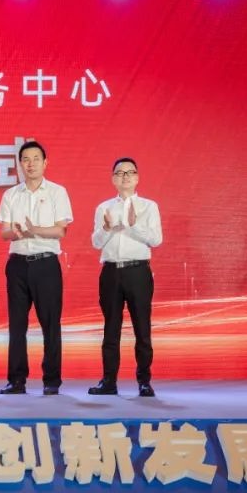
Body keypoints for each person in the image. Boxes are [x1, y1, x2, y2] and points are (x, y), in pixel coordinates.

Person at [0, 141, 73, 395]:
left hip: (46, 264)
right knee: (17, 325)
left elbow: (61, 230)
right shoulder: (11, 194)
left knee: (50, 324)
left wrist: (34, 230)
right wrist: (15, 232)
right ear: (20, 164)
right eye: (26, 159)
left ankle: (51, 380)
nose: (31, 164)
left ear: (45, 162)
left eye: (36, 159)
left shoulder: (57, 192)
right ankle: (16, 380)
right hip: (17, 264)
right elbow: (4, 232)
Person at [89, 157, 162, 397]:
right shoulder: (103, 208)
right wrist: (107, 229)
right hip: (111, 272)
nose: (125, 177)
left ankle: (144, 381)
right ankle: (109, 381)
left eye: (130, 172)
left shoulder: (149, 206)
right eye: (120, 173)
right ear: (113, 179)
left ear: (137, 177)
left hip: (137, 271)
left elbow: (156, 239)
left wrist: (133, 225)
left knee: (142, 328)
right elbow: (96, 242)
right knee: (111, 329)